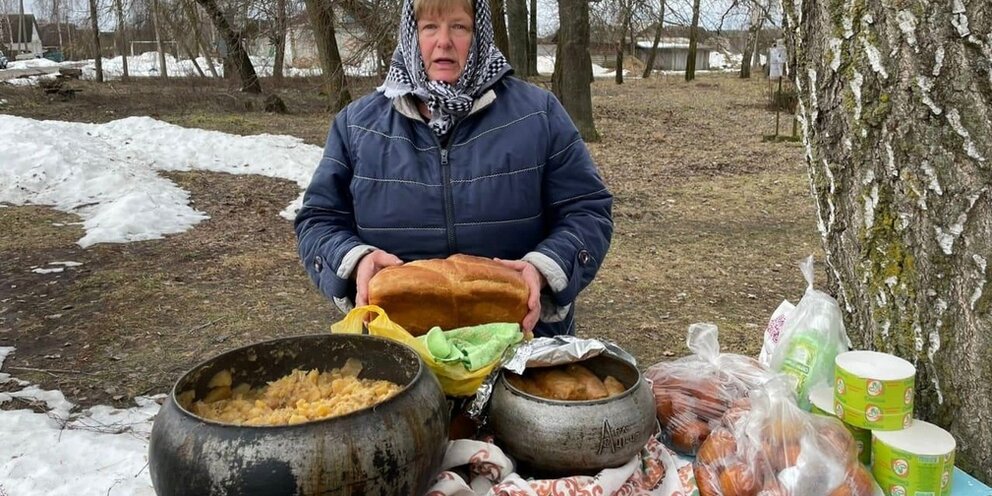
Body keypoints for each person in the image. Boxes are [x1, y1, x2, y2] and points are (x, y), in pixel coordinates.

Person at [294, 0, 613, 337]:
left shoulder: (538, 114)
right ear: (410, 35)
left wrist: (545, 268)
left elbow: (587, 210)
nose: (443, 41)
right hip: (396, 351)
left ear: (479, 34)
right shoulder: (357, 125)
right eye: (429, 27)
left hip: (521, 347)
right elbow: (319, 219)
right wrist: (355, 261)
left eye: (459, 26)